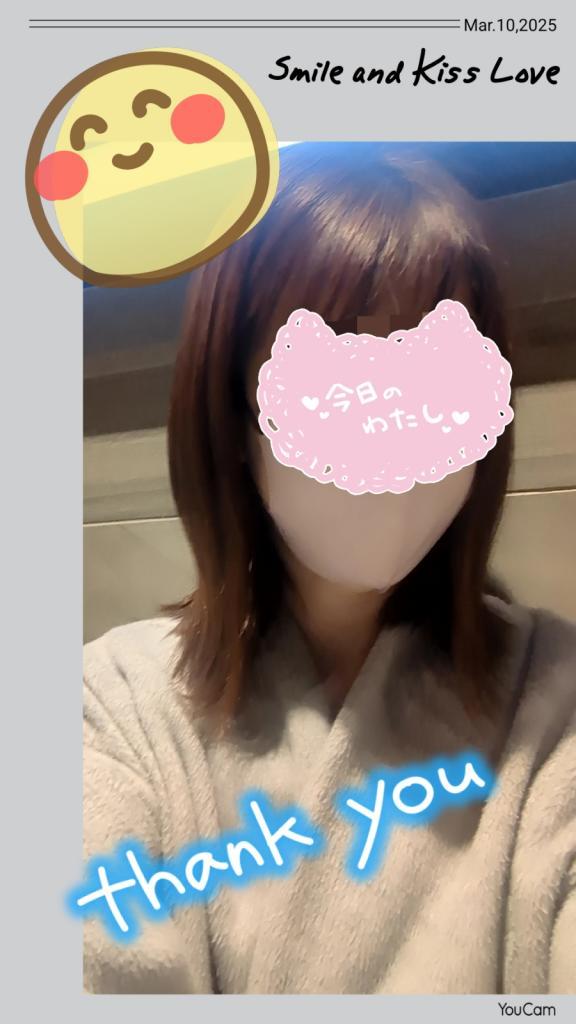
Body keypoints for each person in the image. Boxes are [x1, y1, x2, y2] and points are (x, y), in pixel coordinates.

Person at [83, 142, 575, 994]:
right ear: (233, 409)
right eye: (341, 364)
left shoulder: (555, 697)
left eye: (433, 376)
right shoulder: (114, 706)